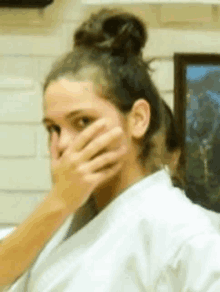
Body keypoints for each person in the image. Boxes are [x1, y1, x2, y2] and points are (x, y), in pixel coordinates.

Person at [1, 8, 220, 292]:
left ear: (138, 119)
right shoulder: (59, 221)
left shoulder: (186, 235)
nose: (64, 144)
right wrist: (59, 202)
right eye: (52, 129)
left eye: (83, 121)